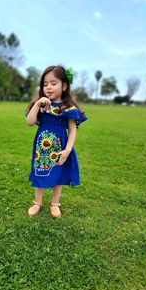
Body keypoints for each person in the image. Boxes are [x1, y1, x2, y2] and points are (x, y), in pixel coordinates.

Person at [26, 65, 87, 218]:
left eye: (53, 83)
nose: (49, 87)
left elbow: (72, 130)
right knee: (39, 172)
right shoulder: (41, 105)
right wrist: (37, 105)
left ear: (64, 85)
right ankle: (37, 203)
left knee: (59, 174)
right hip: (42, 149)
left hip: (60, 148)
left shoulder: (68, 107)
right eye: (45, 84)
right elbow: (30, 122)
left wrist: (67, 150)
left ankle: (55, 204)